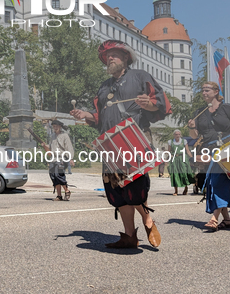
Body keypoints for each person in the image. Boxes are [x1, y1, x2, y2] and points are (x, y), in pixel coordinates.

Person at [70, 40, 170, 249]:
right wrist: (85, 115)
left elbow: (161, 104)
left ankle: (148, 221)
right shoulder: (104, 86)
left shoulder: (140, 76)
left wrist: (149, 104)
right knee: (117, 191)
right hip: (110, 146)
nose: (110, 58)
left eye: (114, 54)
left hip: (133, 140)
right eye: (107, 56)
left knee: (134, 187)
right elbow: (100, 117)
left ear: (126, 58)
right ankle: (129, 236)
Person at [188, 81, 230, 231]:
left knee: (218, 182)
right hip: (210, 150)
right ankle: (226, 220)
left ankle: (214, 219)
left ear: (216, 91)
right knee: (215, 183)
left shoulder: (227, 108)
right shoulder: (199, 112)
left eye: (207, 90)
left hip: (228, 148)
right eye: (202, 90)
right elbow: (194, 136)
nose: (204, 93)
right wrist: (191, 127)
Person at [39, 120, 74, 201]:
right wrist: (44, 145)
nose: (55, 128)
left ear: (60, 126)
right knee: (53, 176)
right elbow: (50, 147)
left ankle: (67, 191)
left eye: (56, 126)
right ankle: (59, 195)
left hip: (62, 158)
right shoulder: (52, 136)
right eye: (54, 126)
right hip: (53, 159)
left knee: (58, 175)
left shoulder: (65, 135)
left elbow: (69, 147)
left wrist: (71, 158)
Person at [167, 130, 195, 195]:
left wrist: (192, 158)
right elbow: (169, 151)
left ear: (180, 135)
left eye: (179, 134)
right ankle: (176, 191)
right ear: (174, 135)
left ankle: (186, 188)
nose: (177, 135)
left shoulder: (184, 141)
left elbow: (187, 150)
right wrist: (168, 157)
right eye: (176, 134)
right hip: (174, 158)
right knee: (174, 174)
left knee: (184, 172)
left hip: (182, 158)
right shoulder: (170, 142)